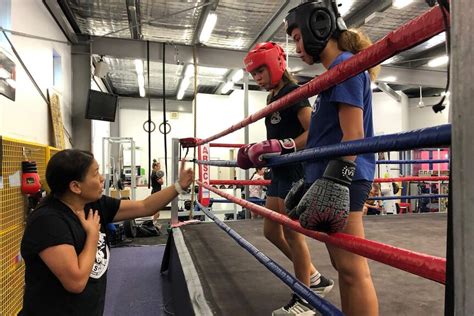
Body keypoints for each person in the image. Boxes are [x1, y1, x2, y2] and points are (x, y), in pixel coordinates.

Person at [285, 1, 380, 315]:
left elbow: (353, 134)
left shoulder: (346, 66)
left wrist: (332, 180)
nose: (297, 48)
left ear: (319, 27)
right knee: (343, 266)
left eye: (298, 38)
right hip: (333, 174)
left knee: (353, 268)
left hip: (346, 178)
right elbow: (326, 136)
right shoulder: (333, 74)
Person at [20, 149, 193, 315]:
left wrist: (179, 186)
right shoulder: (48, 221)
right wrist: (92, 237)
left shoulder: (92, 204)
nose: (102, 178)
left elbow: (145, 206)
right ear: (75, 186)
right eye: (95, 174)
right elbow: (76, 281)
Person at [238, 41, 334, 315]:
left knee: (293, 234)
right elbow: (277, 140)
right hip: (278, 169)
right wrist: (261, 151)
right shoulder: (273, 97)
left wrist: (287, 146)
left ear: (275, 65)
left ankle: (305, 301)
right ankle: (314, 278)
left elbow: (311, 131)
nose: (257, 78)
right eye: (254, 74)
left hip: (294, 168)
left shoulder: (293, 92)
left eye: (260, 72)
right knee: (271, 230)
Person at [150, 159, 164, 227]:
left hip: (156, 191)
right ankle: (154, 222)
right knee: (157, 209)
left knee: (158, 210)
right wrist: (161, 177)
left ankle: (154, 221)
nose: (160, 168)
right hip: (156, 192)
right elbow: (161, 182)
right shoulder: (155, 174)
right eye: (159, 166)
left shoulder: (154, 172)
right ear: (155, 167)